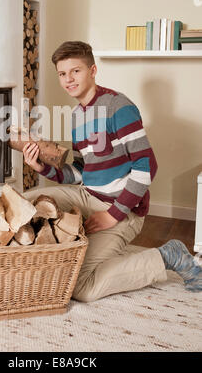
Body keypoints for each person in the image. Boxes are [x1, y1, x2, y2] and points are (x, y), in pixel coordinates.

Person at [22, 41, 202, 300]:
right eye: (62, 74)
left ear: (93, 70)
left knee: (80, 286)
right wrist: (42, 167)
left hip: (123, 209)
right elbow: (82, 171)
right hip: (87, 196)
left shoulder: (119, 107)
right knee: (28, 200)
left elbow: (146, 166)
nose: (68, 79)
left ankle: (168, 255)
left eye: (76, 71)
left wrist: (113, 215)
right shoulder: (76, 116)